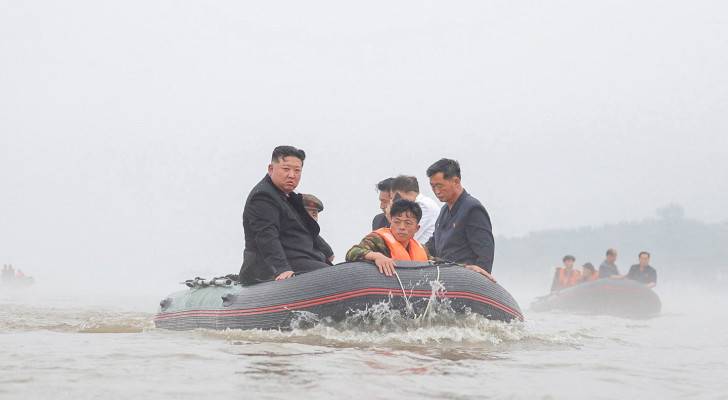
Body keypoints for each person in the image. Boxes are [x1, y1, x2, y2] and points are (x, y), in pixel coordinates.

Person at [238, 145, 333, 285]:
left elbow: (304, 227)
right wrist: (281, 269)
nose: (292, 175)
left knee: (341, 273)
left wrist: (327, 252)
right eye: (286, 169)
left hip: (304, 259)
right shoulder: (263, 197)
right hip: (273, 268)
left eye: (297, 171)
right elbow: (266, 236)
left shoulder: (288, 198)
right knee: (329, 276)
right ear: (271, 169)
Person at [424, 158, 495, 281]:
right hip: (444, 277)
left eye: (440, 186)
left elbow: (485, 252)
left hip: (464, 280)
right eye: (433, 186)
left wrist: (479, 280)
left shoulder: (473, 209)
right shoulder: (444, 211)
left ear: (456, 181)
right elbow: (433, 245)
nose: (436, 191)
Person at [346, 199, 431, 277]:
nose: (402, 227)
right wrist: (376, 256)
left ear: (417, 228)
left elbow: (437, 263)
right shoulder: (377, 239)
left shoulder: (422, 249)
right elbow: (352, 252)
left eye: (407, 223)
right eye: (397, 222)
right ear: (391, 222)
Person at [390, 175, 439, 243]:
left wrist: (390, 217)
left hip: (424, 251)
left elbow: (407, 236)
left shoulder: (422, 205)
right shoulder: (425, 202)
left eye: (394, 199)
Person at [302, 193, 335, 265]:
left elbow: (330, 256)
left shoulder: (312, 233)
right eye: (309, 211)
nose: (314, 215)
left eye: (315, 213)